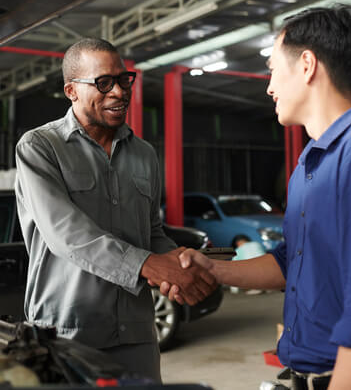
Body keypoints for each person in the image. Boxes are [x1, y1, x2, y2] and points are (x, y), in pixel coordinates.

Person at [165, 5, 351, 389]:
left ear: (307, 65)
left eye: (274, 69)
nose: (269, 86)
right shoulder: (310, 164)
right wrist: (212, 268)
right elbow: (291, 263)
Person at [14, 38, 216, 382]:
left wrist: (180, 267)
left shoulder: (144, 155)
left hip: (136, 333)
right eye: (104, 83)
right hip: (67, 330)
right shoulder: (40, 147)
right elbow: (66, 234)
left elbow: (151, 232)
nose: (120, 92)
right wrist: (152, 266)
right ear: (71, 90)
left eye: (124, 80)